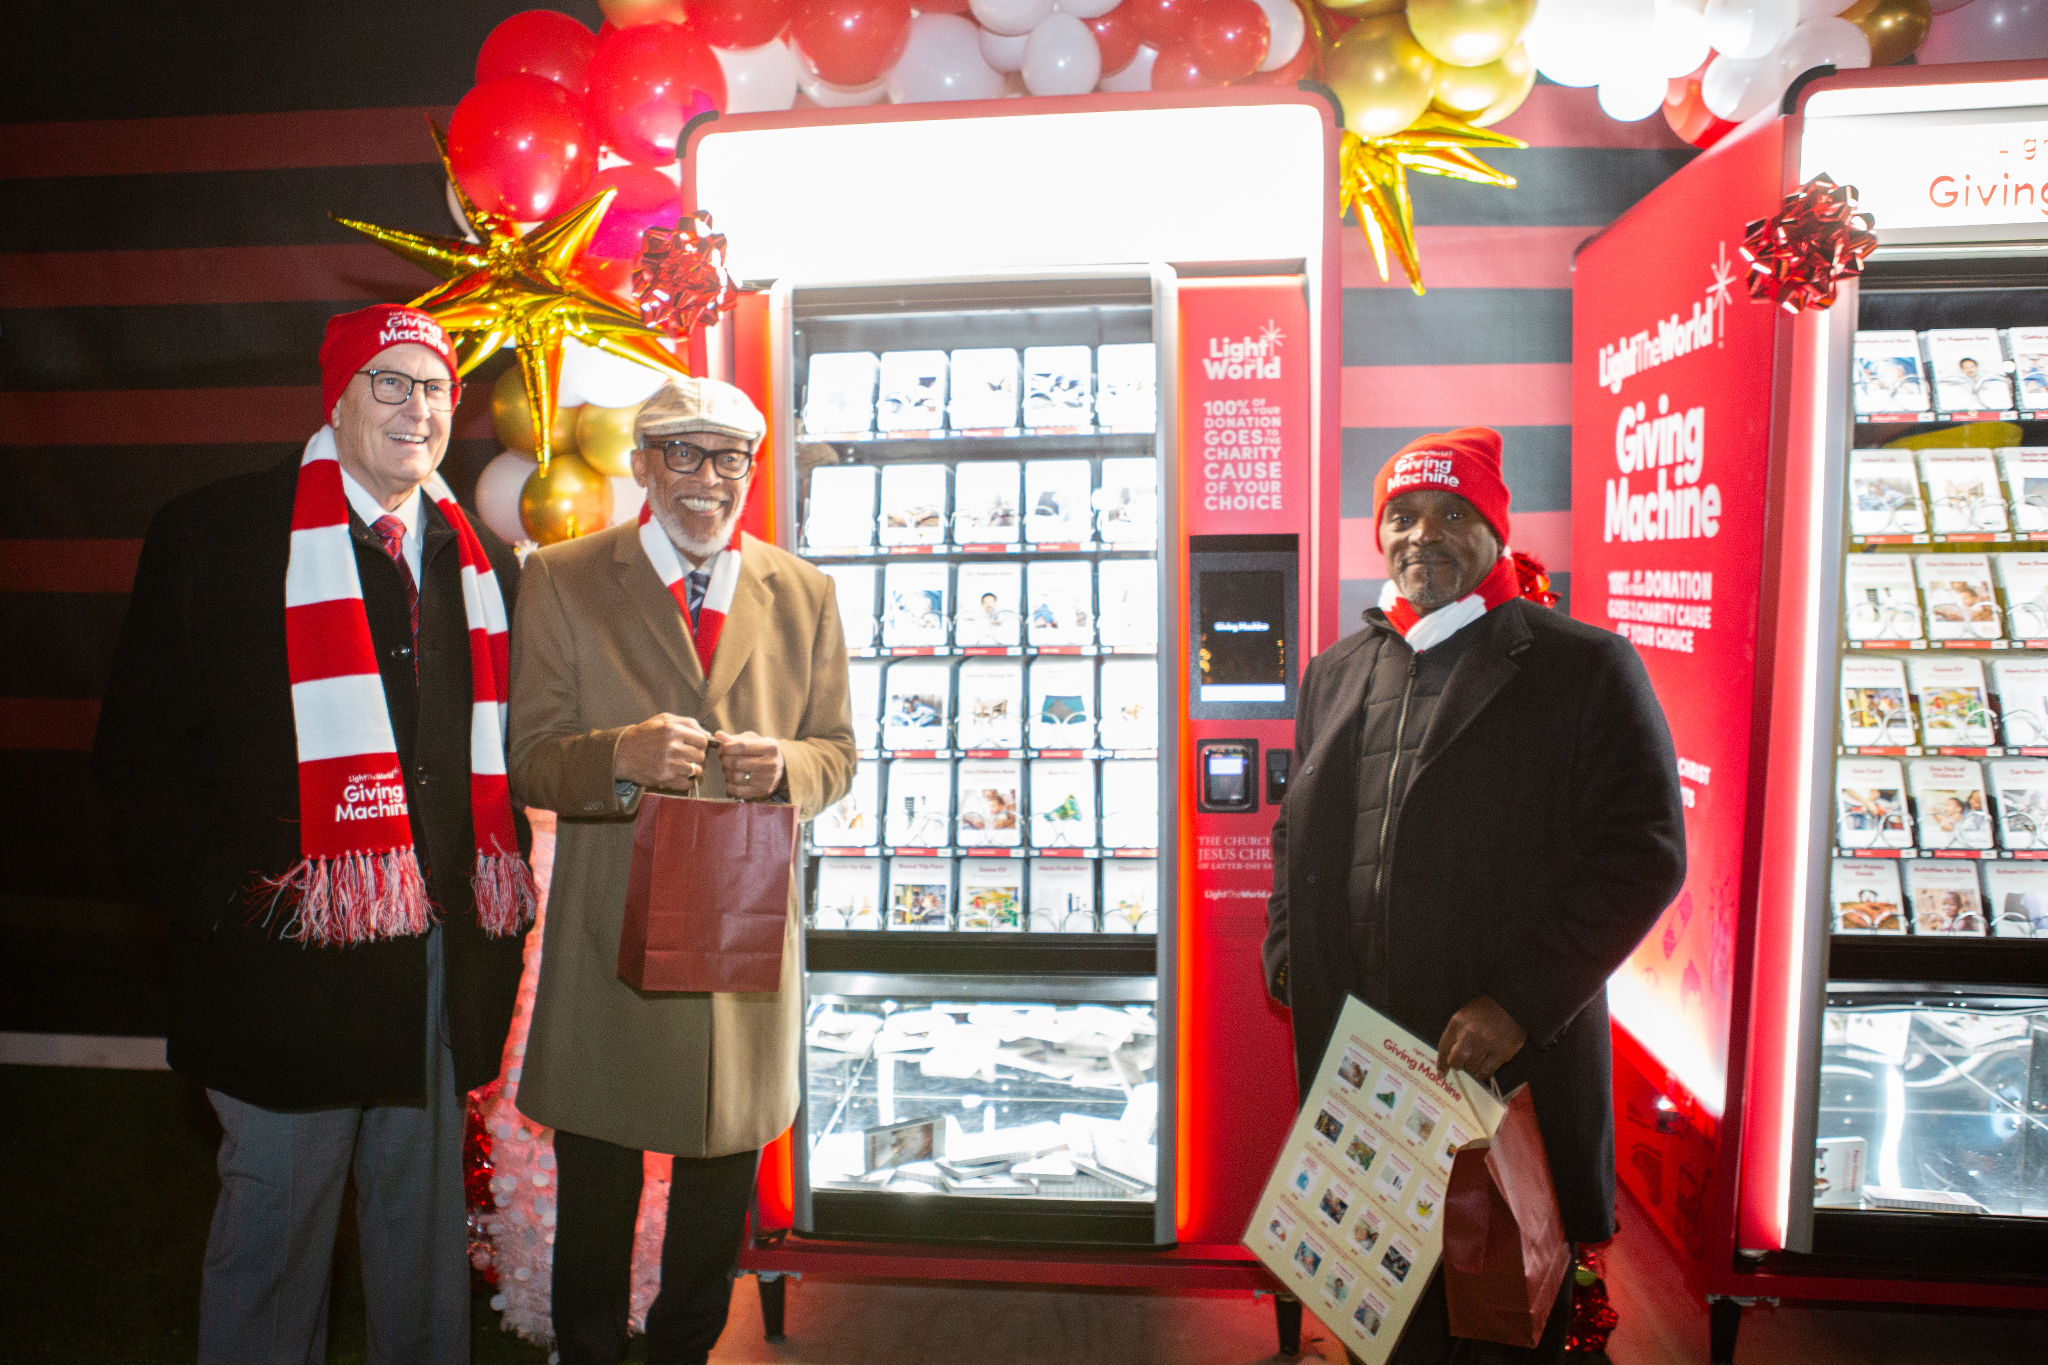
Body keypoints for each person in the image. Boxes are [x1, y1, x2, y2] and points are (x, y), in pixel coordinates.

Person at [91, 303, 533, 1364]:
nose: (417, 407)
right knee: (275, 1241)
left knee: (421, 1246)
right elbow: (137, 762)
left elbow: (496, 764)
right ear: (334, 399)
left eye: (435, 388)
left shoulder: (479, 562)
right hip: (278, 970)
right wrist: (227, 904)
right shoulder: (215, 534)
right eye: (390, 382)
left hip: (430, 965)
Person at [1264, 428, 1686, 1364]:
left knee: (1503, 1322)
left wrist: (1520, 1003)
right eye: (1402, 516)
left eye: (1453, 514)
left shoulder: (1585, 666)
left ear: (1497, 532)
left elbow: (1645, 853)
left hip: (1499, 1070)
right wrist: (1288, 951)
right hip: (1368, 1063)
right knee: (1381, 1314)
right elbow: (1298, 828)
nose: (1424, 535)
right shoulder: (1337, 670)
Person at [508, 376, 855, 1365]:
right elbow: (530, 759)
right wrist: (618, 755)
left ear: (751, 468)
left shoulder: (805, 593)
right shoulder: (562, 577)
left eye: (729, 456)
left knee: (715, 1202)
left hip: (740, 940)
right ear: (641, 465)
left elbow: (837, 753)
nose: (708, 477)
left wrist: (785, 769)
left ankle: (683, 1352)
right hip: (611, 937)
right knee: (598, 1188)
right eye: (683, 453)